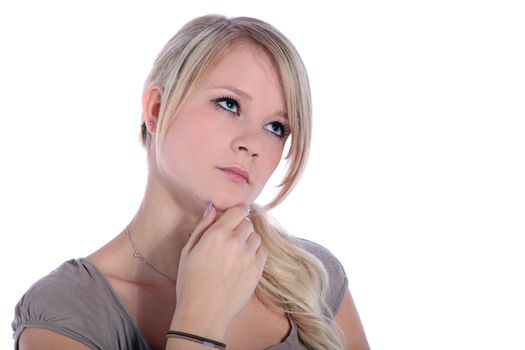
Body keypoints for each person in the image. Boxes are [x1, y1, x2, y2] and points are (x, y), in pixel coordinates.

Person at [12, 14, 369, 350]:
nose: (253, 144)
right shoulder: (66, 314)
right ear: (155, 110)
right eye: (229, 104)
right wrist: (199, 321)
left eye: (276, 127)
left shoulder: (311, 278)